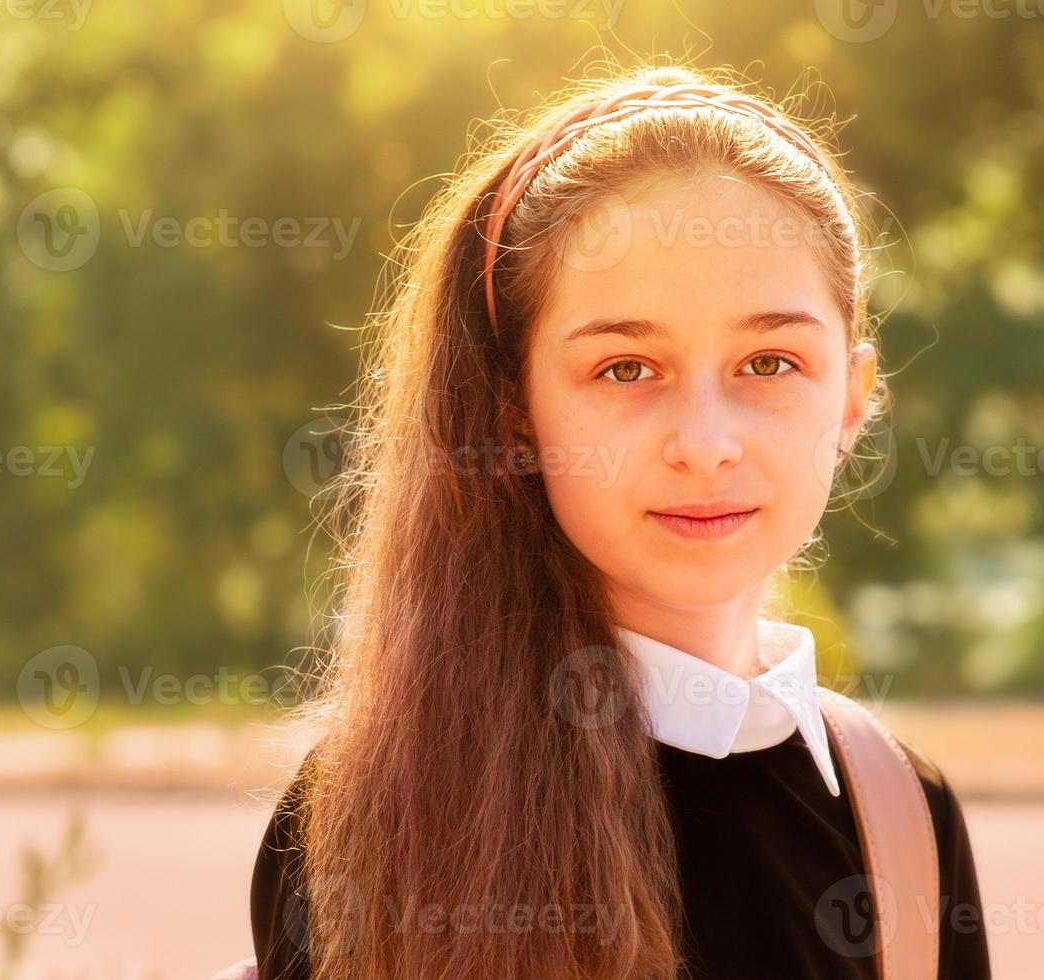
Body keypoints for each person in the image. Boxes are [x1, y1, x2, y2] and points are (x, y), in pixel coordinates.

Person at [249, 59, 992, 980]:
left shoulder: (907, 821)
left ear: (852, 399)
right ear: (514, 415)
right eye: (625, 370)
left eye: (769, 364)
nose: (705, 443)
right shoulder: (369, 813)